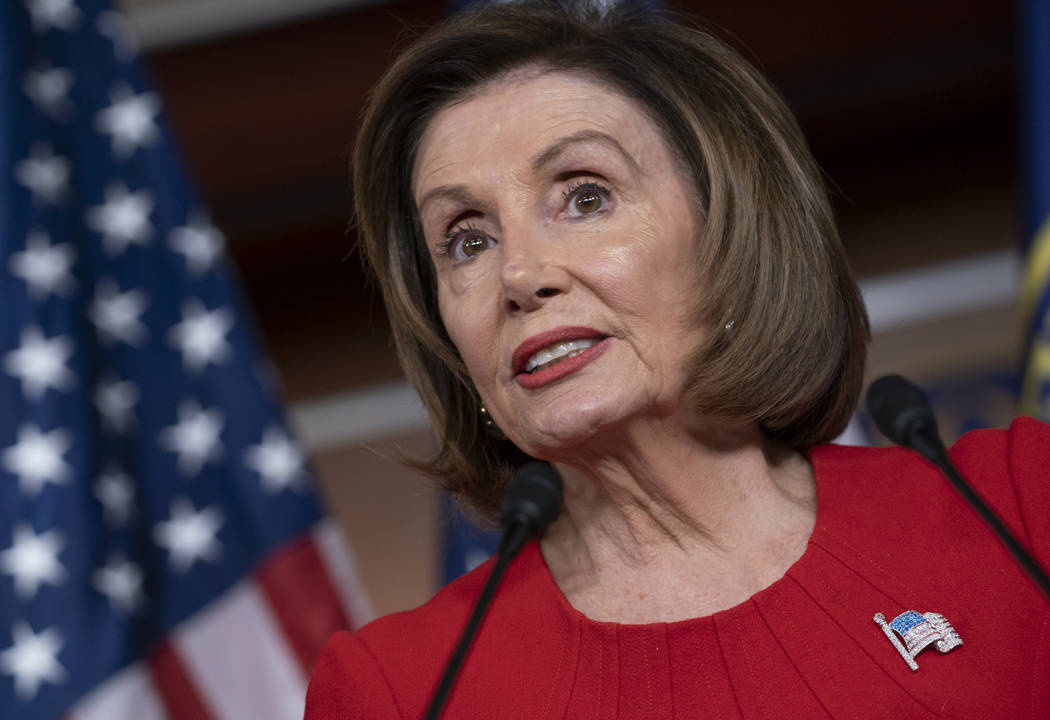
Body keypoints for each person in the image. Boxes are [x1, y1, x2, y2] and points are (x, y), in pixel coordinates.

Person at [305, 1, 1050, 717]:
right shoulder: (404, 691)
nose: (519, 275)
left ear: (729, 238)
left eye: (585, 197)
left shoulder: (1016, 510)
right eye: (468, 240)